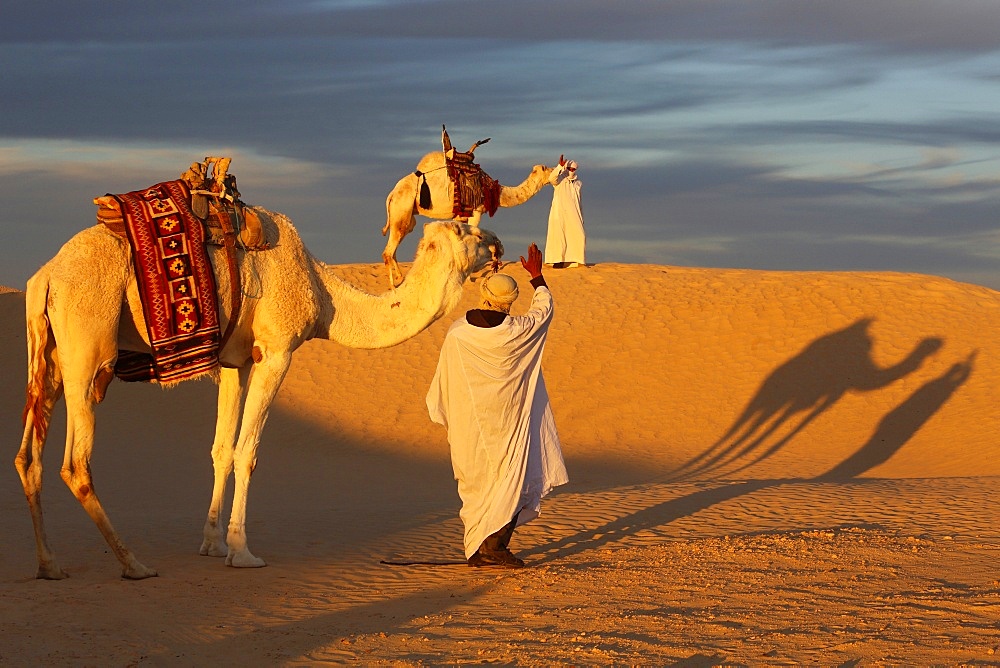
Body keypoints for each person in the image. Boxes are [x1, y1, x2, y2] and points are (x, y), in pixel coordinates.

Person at [426, 243, 569, 568]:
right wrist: (537, 277)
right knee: (510, 480)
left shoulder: (459, 333)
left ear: (484, 295)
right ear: (509, 302)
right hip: (508, 424)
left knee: (478, 483)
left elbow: (445, 381)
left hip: (470, 425)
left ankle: (483, 548)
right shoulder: (520, 330)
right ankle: (491, 548)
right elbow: (544, 309)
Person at [544, 155, 586, 268]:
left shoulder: (578, 183)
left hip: (574, 213)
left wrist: (581, 215)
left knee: (578, 235)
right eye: (569, 169)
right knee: (559, 236)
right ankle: (557, 261)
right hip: (560, 212)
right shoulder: (560, 180)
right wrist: (559, 167)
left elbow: (579, 200)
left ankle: (576, 261)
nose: (571, 171)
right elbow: (551, 178)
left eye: (573, 169)